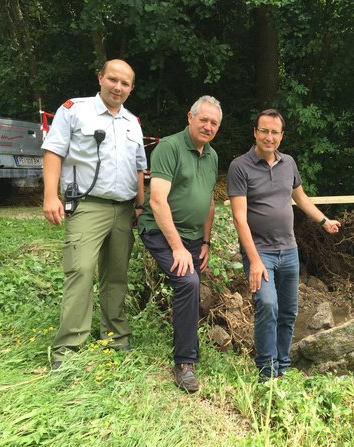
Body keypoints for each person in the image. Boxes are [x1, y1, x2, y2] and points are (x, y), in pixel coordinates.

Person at [42, 59, 147, 370]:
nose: (118, 87)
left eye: (125, 83)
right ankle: (68, 349)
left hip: (124, 209)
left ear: (131, 88)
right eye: (112, 79)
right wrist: (50, 196)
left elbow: (140, 168)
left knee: (116, 276)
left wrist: (140, 206)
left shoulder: (132, 122)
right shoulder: (75, 110)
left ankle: (116, 335)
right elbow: (54, 151)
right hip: (88, 205)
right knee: (81, 270)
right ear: (100, 78)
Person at [227, 108, 341, 380]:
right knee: (267, 304)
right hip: (260, 252)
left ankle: (283, 368)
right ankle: (266, 372)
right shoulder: (239, 167)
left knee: (289, 311)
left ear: (281, 135)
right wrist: (254, 260)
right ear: (255, 132)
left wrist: (324, 221)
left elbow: (300, 198)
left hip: (289, 250)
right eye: (264, 131)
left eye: (274, 132)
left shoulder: (288, 163)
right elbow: (239, 218)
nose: (269, 137)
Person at [137, 95, 222, 392]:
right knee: (187, 281)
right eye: (204, 120)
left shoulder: (211, 156)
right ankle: (184, 363)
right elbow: (158, 201)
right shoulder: (169, 148)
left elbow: (209, 202)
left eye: (214, 123)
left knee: (192, 282)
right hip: (161, 232)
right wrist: (177, 247)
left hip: (194, 236)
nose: (208, 126)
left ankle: (186, 339)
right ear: (190, 117)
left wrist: (206, 242)